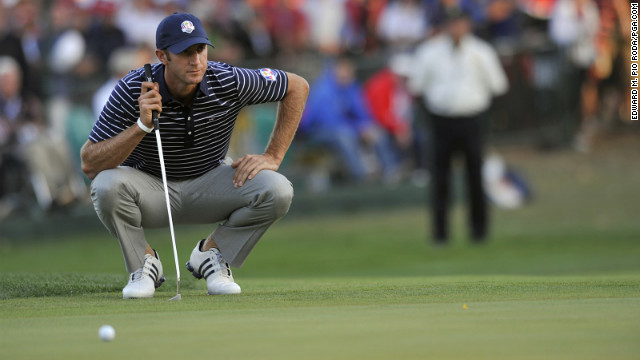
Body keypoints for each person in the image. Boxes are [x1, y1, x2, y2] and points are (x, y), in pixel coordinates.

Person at [80, 13, 309, 299]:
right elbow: (89, 163)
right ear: (162, 56)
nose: (196, 60)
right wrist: (141, 126)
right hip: (151, 188)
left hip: (210, 182)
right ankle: (144, 263)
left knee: (277, 190)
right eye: (185, 53)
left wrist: (273, 155)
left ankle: (212, 254)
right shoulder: (132, 88)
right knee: (105, 186)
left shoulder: (227, 79)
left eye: (200, 50)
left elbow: (296, 86)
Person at [409, 8, 508, 244]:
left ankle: (479, 232)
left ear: (468, 26)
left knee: (475, 176)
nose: (456, 29)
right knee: (440, 178)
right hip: (441, 120)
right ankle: (440, 235)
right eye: (452, 24)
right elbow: (417, 87)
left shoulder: (481, 52)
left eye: (460, 24)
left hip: (472, 119)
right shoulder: (429, 52)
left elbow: (498, 85)